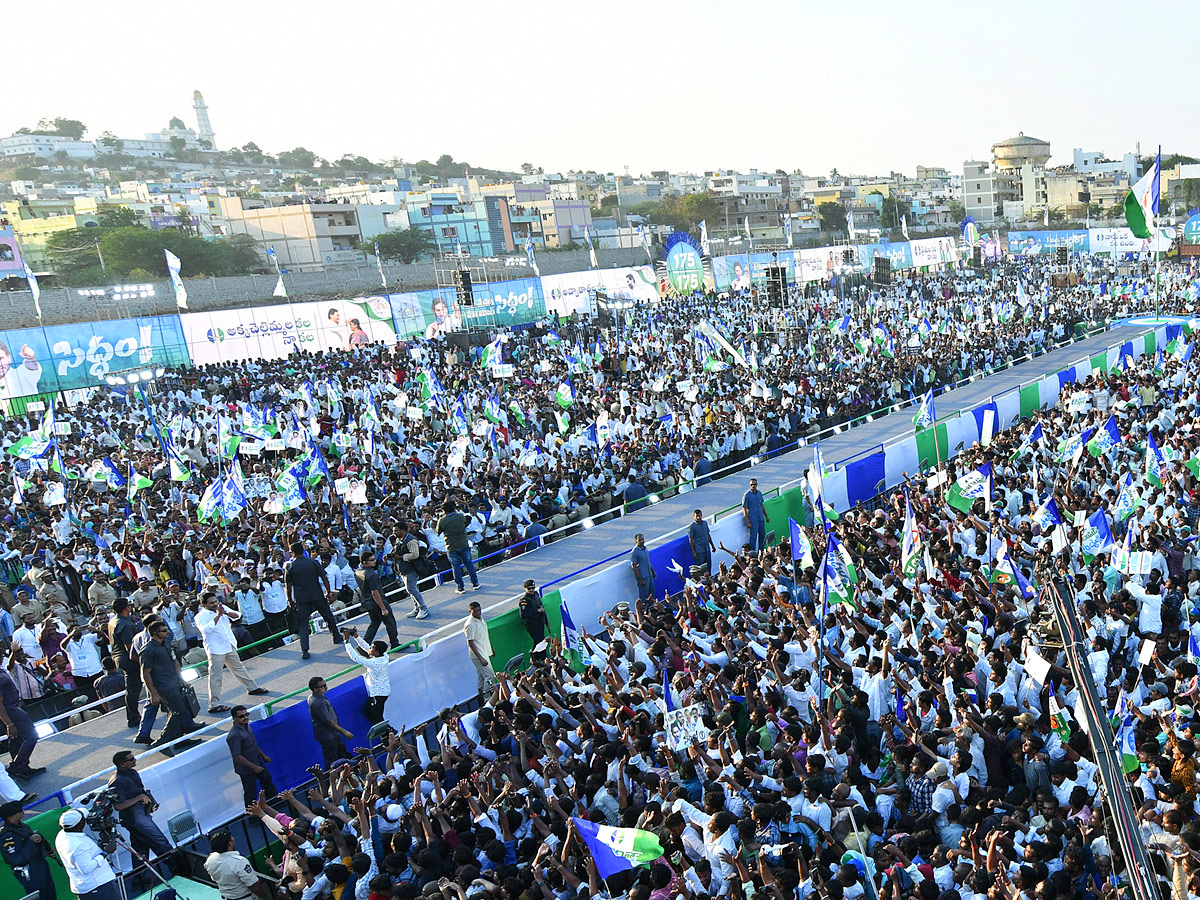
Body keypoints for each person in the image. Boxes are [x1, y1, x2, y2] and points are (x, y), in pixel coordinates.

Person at [195, 592, 269, 714]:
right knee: (216, 676)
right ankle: (214, 704)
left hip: (229, 644)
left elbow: (237, 616)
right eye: (211, 603)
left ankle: (252, 688)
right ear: (204, 605)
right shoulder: (200, 616)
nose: (215, 604)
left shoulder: (222, 607)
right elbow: (206, 630)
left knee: (239, 668)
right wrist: (218, 615)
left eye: (215, 601)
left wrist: (226, 612)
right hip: (215, 649)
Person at [140, 620, 201, 754]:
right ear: (155, 633)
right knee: (178, 711)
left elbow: (175, 663)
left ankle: (179, 740)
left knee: (178, 711)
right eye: (164, 631)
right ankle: (161, 742)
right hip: (163, 687)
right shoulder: (148, 650)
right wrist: (153, 694)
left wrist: (182, 680)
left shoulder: (166, 645)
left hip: (174, 683)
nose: (168, 632)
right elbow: (146, 673)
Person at [108, 750, 173, 862]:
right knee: (161, 844)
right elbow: (118, 806)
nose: (135, 760)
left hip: (140, 815)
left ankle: (140, 877)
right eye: (131, 759)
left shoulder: (132, 773)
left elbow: (139, 791)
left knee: (140, 849)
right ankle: (178, 869)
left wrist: (150, 803)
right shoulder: (117, 781)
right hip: (135, 819)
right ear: (122, 764)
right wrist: (140, 798)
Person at [284, 543, 340, 660]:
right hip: (317, 594)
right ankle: (335, 635)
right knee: (327, 615)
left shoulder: (290, 567)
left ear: (292, 552)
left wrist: (290, 600)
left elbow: (288, 586)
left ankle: (304, 650)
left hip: (301, 598)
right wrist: (328, 592)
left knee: (303, 623)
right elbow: (325, 578)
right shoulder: (313, 562)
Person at [55, 807, 118, 900]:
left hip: (87, 888)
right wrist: (106, 852)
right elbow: (86, 868)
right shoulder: (78, 845)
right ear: (80, 824)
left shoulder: (61, 835)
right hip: (98, 887)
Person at [0, 797, 56, 900]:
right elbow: (15, 859)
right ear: (12, 816)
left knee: (50, 893)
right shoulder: (8, 836)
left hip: (40, 864)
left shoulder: (21, 826)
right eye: (20, 810)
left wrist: (46, 850)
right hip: (29, 871)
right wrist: (31, 841)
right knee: (40, 896)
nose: (23, 811)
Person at [227, 705, 274, 809]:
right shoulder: (234, 735)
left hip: (257, 762)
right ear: (234, 718)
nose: (245, 717)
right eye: (241, 716)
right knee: (250, 793)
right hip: (246, 770)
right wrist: (254, 767)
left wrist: (263, 756)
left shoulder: (247, 727)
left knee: (267, 781)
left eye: (247, 714)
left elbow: (253, 744)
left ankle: (274, 803)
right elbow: (237, 756)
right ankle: (253, 816)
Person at [0, 665, 41, 780]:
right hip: (10, 710)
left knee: (16, 738)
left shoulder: (1, 671)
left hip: (12, 707)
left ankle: (23, 767)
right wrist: (9, 724)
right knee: (31, 736)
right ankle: (16, 766)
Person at [343, 631, 391, 724]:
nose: (370, 648)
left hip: (378, 694)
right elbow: (367, 647)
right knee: (368, 712)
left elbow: (356, 658)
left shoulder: (374, 663)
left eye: (372, 648)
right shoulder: (384, 656)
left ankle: (389, 733)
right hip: (380, 692)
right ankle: (388, 731)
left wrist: (347, 642)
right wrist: (357, 637)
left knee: (376, 717)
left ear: (376, 652)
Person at [108, 597, 142, 728]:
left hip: (119, 657)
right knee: (133, 688)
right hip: (128, 658)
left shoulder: (113, 621)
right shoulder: (125, 625)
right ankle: (133, 717)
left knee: (133, 688)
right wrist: (141, 660)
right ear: (125, 608)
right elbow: (130, 647)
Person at [353, 553, 398, 648]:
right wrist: (383, 608)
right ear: (365, 562)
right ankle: (394, 643)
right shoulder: (372, 575)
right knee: (390, 622)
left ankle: (364, 646)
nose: (374, 561)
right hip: (377, 602)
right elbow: (375, 593)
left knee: (374, 623)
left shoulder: (358, 572)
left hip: (367, 602)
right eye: (372, 560)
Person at [205, 829, 265, 900]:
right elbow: (253, 885)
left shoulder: (211, 859)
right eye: (232, 837)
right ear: (230, 843)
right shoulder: (239, 862)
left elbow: (213, 878)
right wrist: (263, 897)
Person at [307, 675, 352, 766]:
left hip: (332, 734)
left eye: (325, 684)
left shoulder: (315, 698)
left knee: (342, 754)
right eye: (322, 686)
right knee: (332, 761)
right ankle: (329, 779)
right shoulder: (318, 702)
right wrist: (344, 731)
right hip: (328, 736)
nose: (325, 687)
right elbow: (328, 721)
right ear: (315, 689)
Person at [437, 500, 479, 593]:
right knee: (469, 564)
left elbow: (438, 531)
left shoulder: (442, 520)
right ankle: (475, 583)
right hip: (463, 543)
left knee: (456, 567)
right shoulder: (460, 516)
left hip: (451, 546)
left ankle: (460, 587)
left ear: (444, 510)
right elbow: (464, 524)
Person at [394, 522, 429, 619]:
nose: (394, 533)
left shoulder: (411, 540)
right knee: (410, 589)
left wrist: (400, 557)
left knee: (411, 589)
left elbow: (415, 554)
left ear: (403, 530)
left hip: (411, 568)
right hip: (403, 569)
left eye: (396, 530)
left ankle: (423, 608)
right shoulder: (398, 539)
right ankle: (417, 607)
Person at [463, 600, 495, 697]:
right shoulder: (470, 624)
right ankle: (487, 698)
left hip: (485, 651)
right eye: (475, 611)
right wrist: (480, 658)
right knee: (490, 676)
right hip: (478, 655)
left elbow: (484, 636)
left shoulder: (481, 618)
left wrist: (491, 648)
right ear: (470, 611)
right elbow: (470, 642)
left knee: (481, 677)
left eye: (479, 610)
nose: (477, 613)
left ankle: (481, 697)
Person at [742, 476, 768, 553]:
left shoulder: (759, 493)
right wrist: (747, 521)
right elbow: (744, 509)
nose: (753, 486)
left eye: (755, 484)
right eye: (752, 484)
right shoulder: (747, 495)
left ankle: (761, 552)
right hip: (753, 519)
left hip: (761, 518)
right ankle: (752, 554)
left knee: (762, 536)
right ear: (749, 485)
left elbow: (762, 505)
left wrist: (766, 516)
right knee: (753, 537)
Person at [518, 579, 548, 646]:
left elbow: (541, 607)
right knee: (538, 642)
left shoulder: (536, 594)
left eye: (533, 588)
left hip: (540, 622)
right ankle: (536, 656)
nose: (531, 590)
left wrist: (546, 621)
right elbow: (523, 615)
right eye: (529, 588)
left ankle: (541, 656)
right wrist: (536, 611)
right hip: (532, 625)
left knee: (542, 641)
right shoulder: (524, 600)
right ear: (525, 588)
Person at [688, 508, 715, 575]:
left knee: (708, 566)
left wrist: (712, 545)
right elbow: (691, 540)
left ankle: (710, 580)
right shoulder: (692, 527)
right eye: (696, 516)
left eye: (699, 516)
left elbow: (708, 535)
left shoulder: (705, 523)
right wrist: (694, 552)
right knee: (701, 568)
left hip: (707, 549)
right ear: (694, 517)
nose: (698, 517)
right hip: (699, 551)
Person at [630, 532, 656, 601]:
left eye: (642, 539)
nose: (642, 541)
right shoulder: (635, 552)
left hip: (649, 575)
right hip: (643, 577)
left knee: (652, 595)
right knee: (644, 597)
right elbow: (634, 566)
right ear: (636, 541)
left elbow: (648, 562)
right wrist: (640, 579)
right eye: (639, 540)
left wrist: (653, 572)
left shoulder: (645, 549)